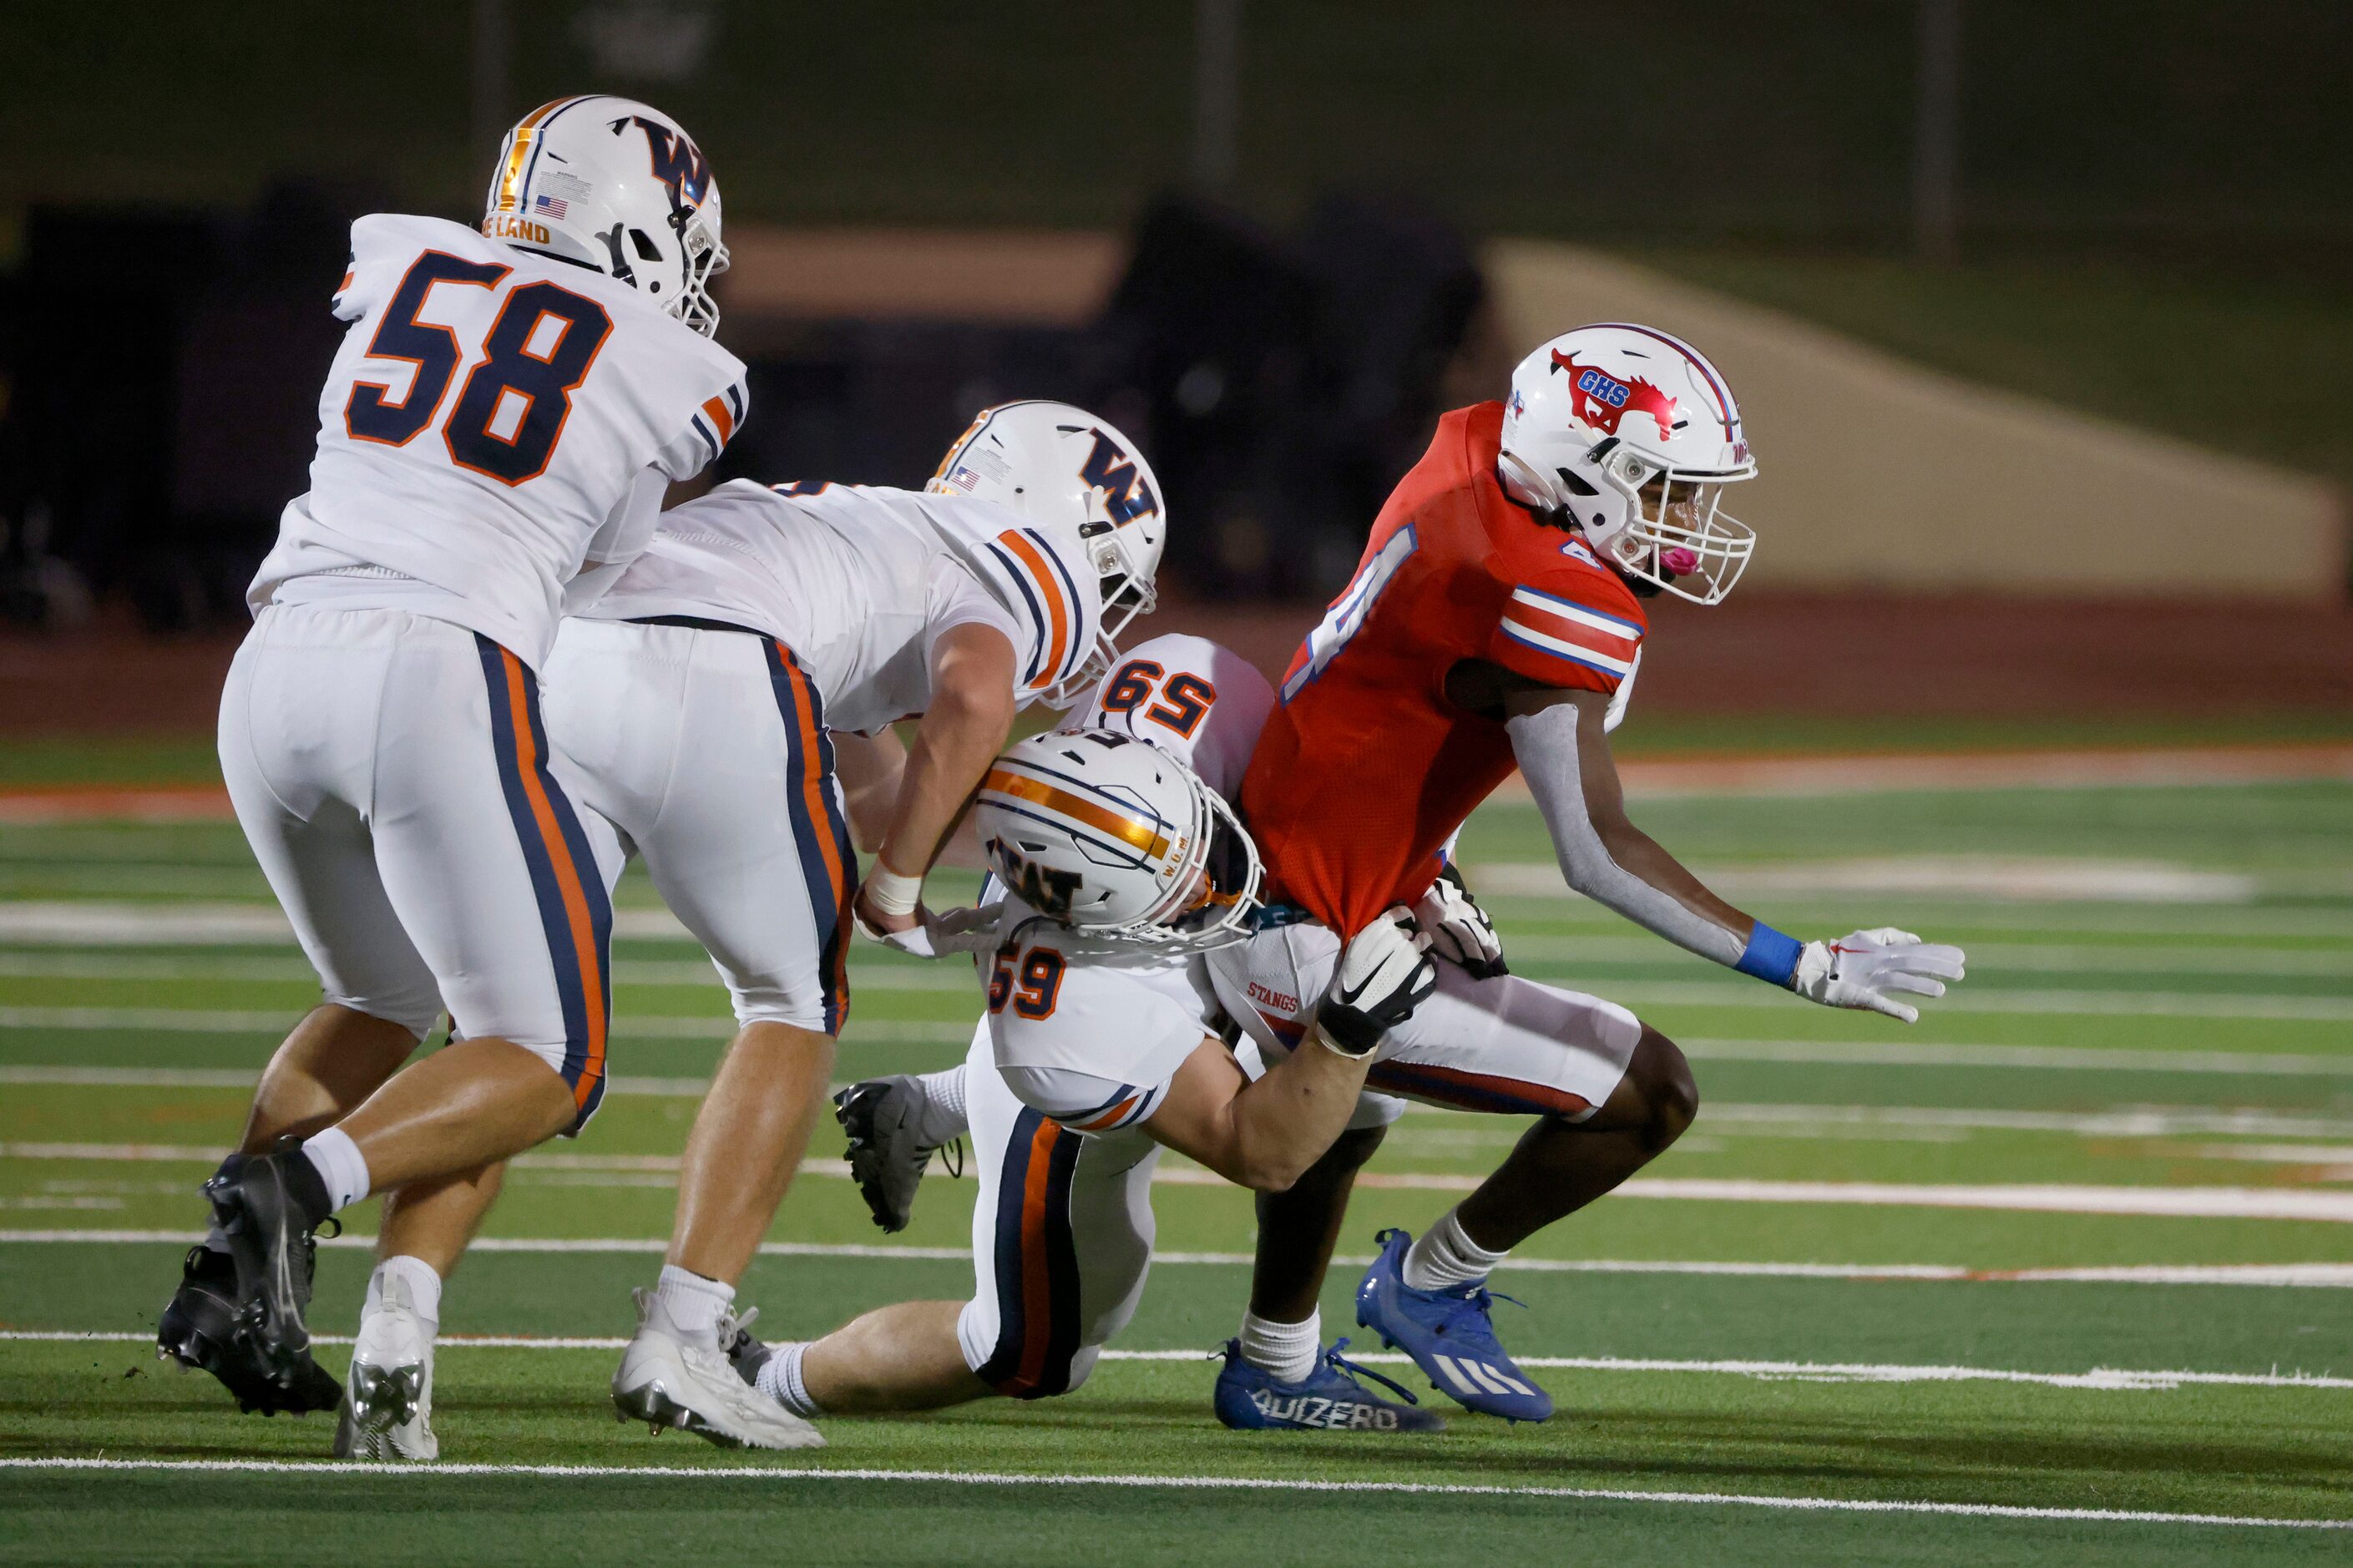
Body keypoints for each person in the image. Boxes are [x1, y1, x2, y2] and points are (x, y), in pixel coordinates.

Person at [861, 324, 1968, 1429]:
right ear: (1586, 469)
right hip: (1306, 912)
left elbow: (1389, 691)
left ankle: (1270, 1357)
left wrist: (1420, 861)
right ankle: (1431, 1285)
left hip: (1302, 850)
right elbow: (1594, 849)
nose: (1685, 522)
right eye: (1664, 489)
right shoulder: (1548, 589)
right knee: (1644, 1094)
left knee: (1353, 1095)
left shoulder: (1475, 451)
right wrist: (1805, 964)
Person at [329, 401, 1167, 1459]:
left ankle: (394, 1333)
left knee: (506, 1030)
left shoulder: (873, 535)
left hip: (558, 663)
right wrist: (903, 886)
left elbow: (866, 796)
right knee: (792, 999)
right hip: (715, 669)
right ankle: (682, 1338)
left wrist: (932, 834)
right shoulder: (1018, 559)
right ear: (1081, 527)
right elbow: (973, 694)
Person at [155, 97, 746, 1440]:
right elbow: (599, 565)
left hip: (274, 659)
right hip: (434, 660)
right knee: (548, 1052)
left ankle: (226, 1288)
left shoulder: (402, 265)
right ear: (641, 228)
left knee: (379, 990)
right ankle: (291, 1191)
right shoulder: (661, 355)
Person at [740, 635, 1448, 1432]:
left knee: (1365, 1089)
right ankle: (763, 1376)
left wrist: (1423, 872)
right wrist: (1347, 1030)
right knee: (1028, 1351)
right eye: (1179, 884)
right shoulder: (1075, 1016)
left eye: (1198, 840)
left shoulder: (1194, 692)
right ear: (1101, 915)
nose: (1215, 880)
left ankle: (929, 1105)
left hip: (1127, 980)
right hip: (1086, 1064)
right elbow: (1263, 1151)